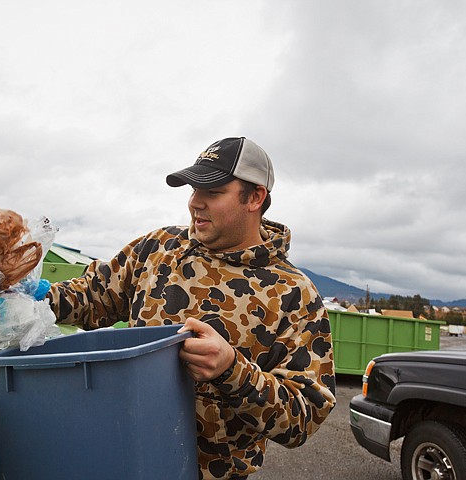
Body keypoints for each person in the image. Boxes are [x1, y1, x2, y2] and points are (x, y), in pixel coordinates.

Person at [46, 137, 336, 479]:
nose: (195, 203)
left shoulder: (294, 294)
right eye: (193, 189)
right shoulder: (158, 249)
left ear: (255, 197)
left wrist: (232, 370)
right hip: (125, 456)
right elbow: (92, 297)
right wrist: (29, 296)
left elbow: (304, 417)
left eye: (212, 192)